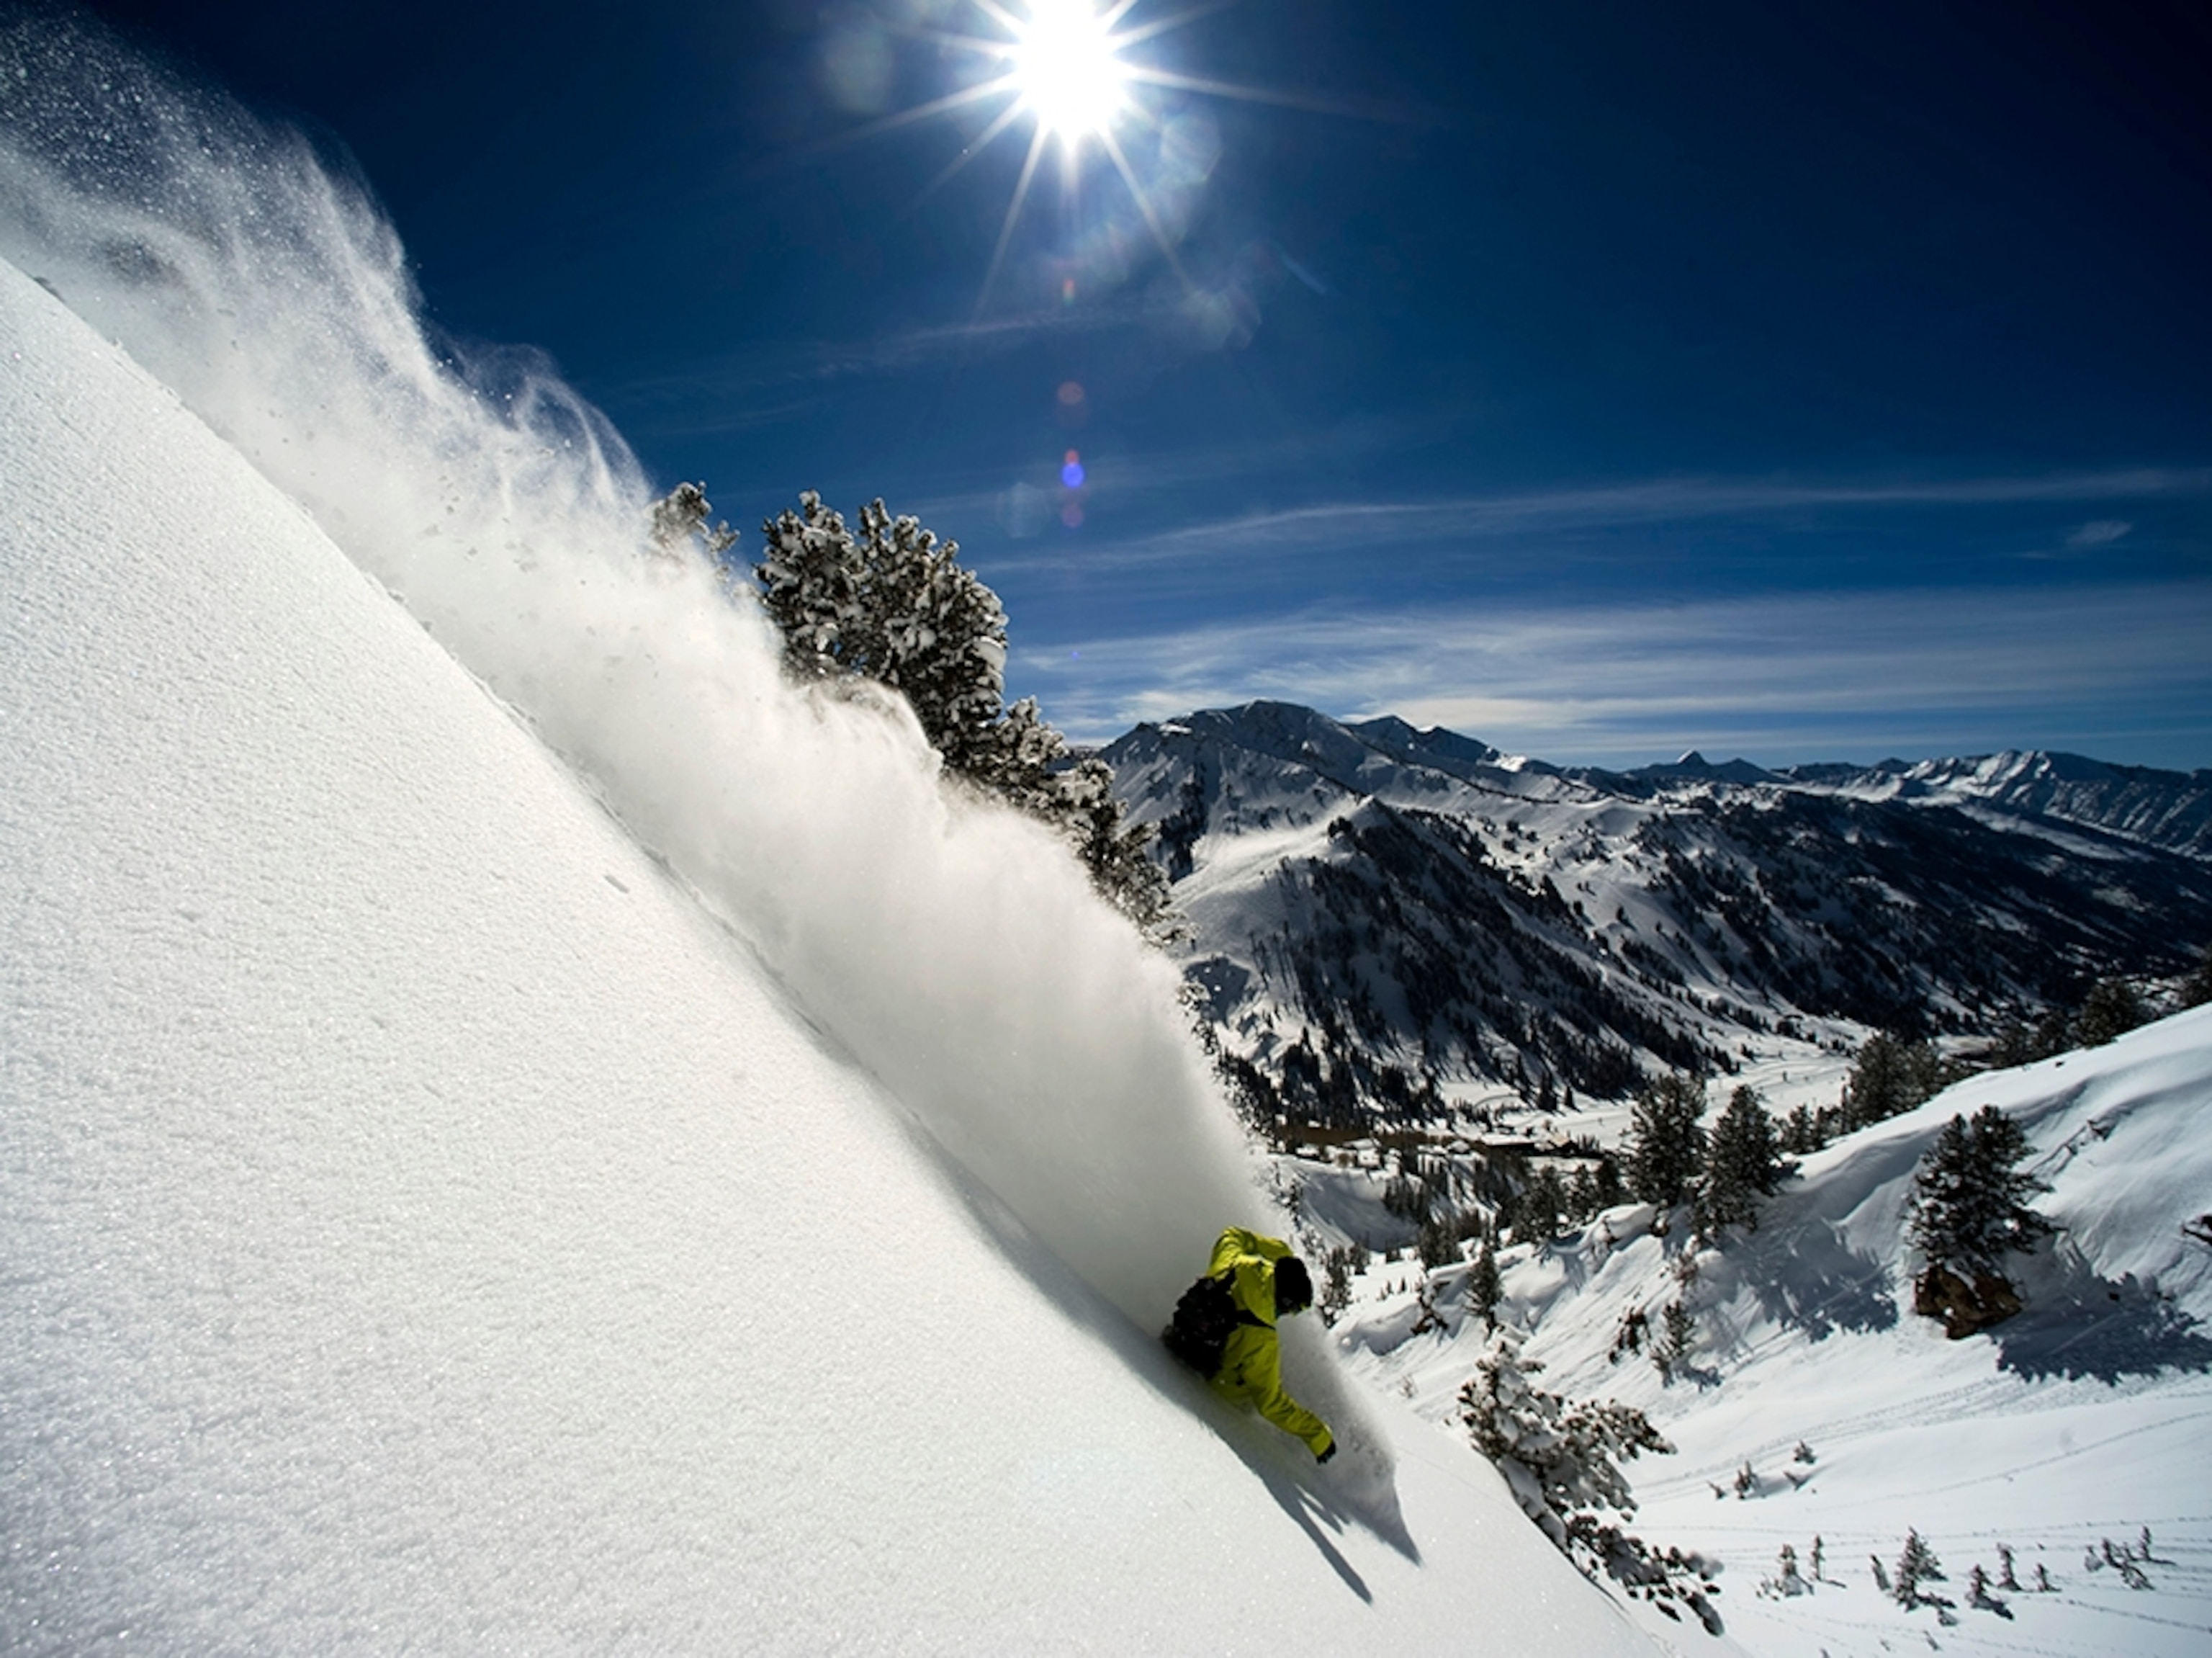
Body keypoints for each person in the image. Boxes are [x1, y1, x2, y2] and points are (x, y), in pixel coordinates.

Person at [1202, 1226, 1336, 1464]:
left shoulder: (1232, 1265)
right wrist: (1317, 1435)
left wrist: (1280, 1252)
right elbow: (1270, 1404)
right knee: (1266, 1385)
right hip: (1216, 1392)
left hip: (1180, 1341)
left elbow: (1231, 1235)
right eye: (1293, 1309)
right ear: (1284, 1302)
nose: (1290, 1315)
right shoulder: (1263, 1340)